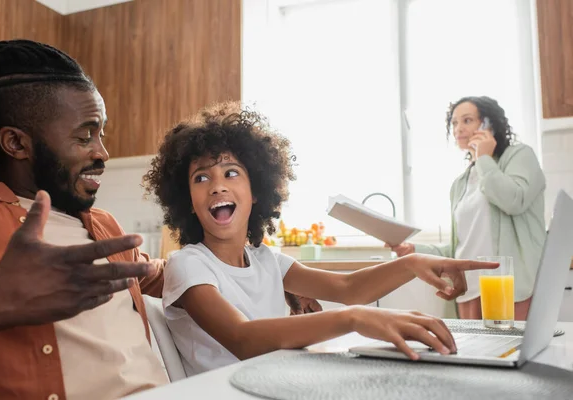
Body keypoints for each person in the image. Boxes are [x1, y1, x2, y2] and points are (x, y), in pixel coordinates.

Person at [0, 40, 319, 399]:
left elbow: (164, 271)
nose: (102, 152)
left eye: (101, 134)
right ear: (16, 143)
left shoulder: (103, 224)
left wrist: (267, 274)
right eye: (84, 136)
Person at [143, 101, 499, 376]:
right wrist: (352, 319)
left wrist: (414, 263)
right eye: (200, 178)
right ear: (187, 201)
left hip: (270, 385)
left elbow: (347, 288)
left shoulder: (267, 260)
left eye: (231, 172)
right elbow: (243, 338)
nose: (217, 184)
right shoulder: (187, 265)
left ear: (256, 192)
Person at [388, 96, 546, 320]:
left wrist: (483, 157)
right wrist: (413, 250)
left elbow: (513, 200)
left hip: (510, 288)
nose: (458, 128)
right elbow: (460, 248)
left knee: (513, 353)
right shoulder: (460, 184)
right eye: (454, 123)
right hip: (469, 291)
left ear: (488, 125)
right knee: (476, 354)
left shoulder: (519, 156)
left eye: (467, 120)